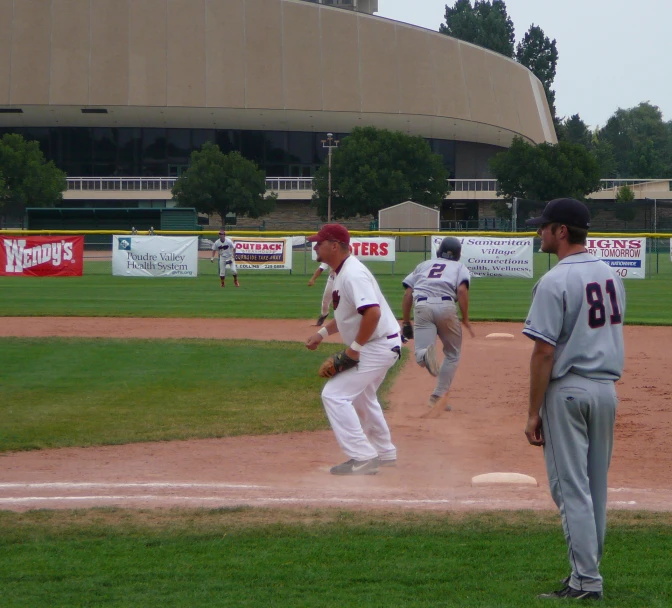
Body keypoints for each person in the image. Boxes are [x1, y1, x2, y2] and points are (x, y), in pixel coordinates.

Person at [523, 198, 625, 601]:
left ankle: (586, 580)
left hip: (568, 391)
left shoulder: (554, 281)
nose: (539, 232)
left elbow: (544, 351)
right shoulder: (611, 274)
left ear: (561, 231)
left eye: (544, 227)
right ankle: (587, 574)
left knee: (571, 490)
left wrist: (532, 413)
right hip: (606, 390)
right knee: (595, 488)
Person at [305, 223, 401, 475]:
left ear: (334, 246)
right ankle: (384, 452)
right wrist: (322, 333)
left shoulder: (353, 274)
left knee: (334, 395)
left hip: (376, 345)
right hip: (380, 343)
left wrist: (354, 350)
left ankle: (363, 457)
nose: (315, 246)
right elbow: (349, 314)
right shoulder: (341, 272)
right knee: (362, 397)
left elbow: (372, 312)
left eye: (320, 242)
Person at [401, 237, 475, 409]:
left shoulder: (424, 265)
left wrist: (405, 322)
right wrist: (465, 318)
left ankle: (424, 355)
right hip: (446, 306)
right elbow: (462, 290)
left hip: (422, 305)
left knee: (421, 355)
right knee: (452, 354)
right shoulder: (459, 267)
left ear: (439, 251)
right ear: (457, 255)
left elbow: (408, 293)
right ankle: (437, 396)